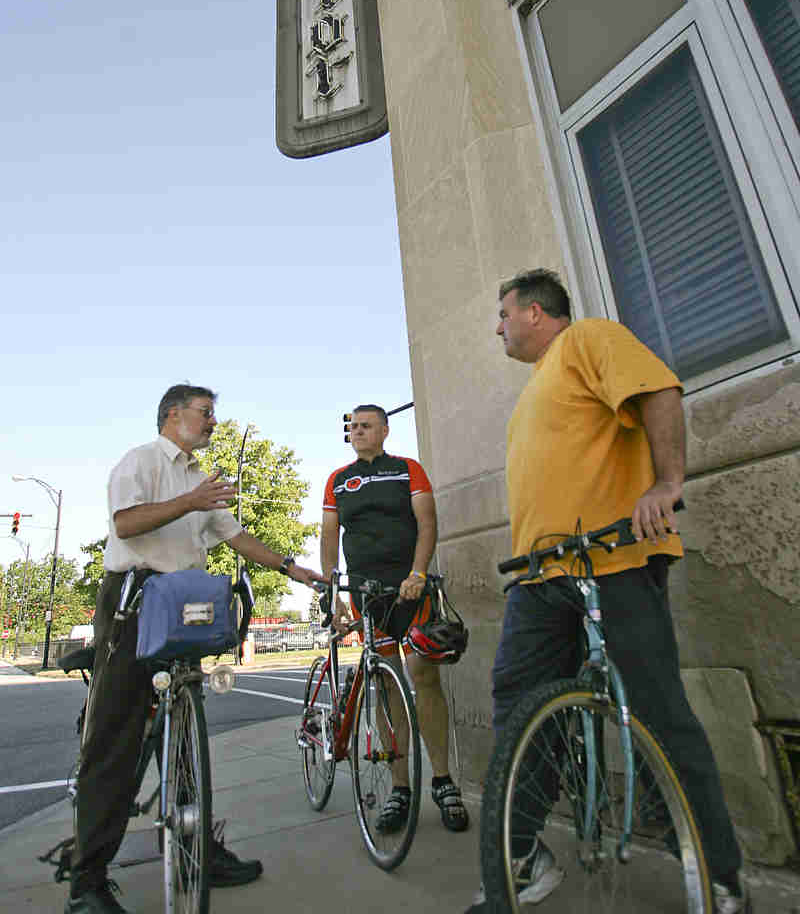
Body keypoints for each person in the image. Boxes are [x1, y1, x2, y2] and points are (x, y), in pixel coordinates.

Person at [465, 269, 749, 914]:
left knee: (655, 711)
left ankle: (717, 874)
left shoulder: (591, 338)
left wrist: (666, 482)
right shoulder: (540, 385)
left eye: (504, 314)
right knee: (520, 713)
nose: (498, 326)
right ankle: (520, 856)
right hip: (540, 576)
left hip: (611, 559)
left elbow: (659, 390)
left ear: (536, 312)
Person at [67, 384, 322, 914]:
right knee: (115, 742)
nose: (212, 422)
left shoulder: (200, 481)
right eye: (206, 414)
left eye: (213, 414)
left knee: (183, 738)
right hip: (134, 603)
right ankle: (86, 882)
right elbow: (126, 524)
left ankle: (195, 847)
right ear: (172, 415)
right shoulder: (139, 463)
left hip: (182, 607)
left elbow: (234, 536)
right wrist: (190, 501)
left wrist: (291, 569)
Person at [321, 404, 469, 835]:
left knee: (424, 678)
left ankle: (443, 781)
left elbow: (427, 523)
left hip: (410, 590)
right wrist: (334, 593)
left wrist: (418, 573)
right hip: (369, 597)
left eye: (366, 426)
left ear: (385, 430)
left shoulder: (407, 469)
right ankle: (400, 788)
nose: (358, 432)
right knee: (386, 687)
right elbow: (330, 538)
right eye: (353, 427)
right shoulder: (338, 480)